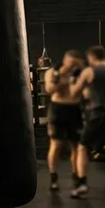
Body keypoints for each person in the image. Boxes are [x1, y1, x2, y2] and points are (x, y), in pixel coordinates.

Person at [69, 45, 105, 197]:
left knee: (83, 147)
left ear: (91, 57)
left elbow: (74, 92)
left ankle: (81, 183)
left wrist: (73, 79)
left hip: (99, 114)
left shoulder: (89, 71)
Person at [43, 50, 86, 191]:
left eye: (76, 63)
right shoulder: (53, 72)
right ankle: (53, 176)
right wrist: (61, 81)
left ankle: (76, 176)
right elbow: (49, 89)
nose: (73, 65)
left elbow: (86, 92)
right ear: (65, 60)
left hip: (75, 110)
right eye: (71, 62)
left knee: (76, 145)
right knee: (57, 144)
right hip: (58, 109)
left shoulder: (80, 73)